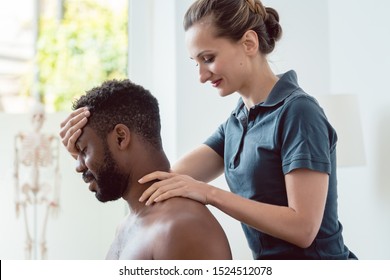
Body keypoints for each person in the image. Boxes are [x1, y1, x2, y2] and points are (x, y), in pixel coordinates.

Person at [60, 0, 356, 259]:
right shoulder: (237, 121)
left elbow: (303, 228)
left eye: (208, 58)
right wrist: (90, 150)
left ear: (249, 43)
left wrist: (210, 193)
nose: (201, 75)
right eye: (196, 62)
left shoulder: (298, 112)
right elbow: (160, 180)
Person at [62, 79, 232, 260]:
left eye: (83, 150)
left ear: (121, 138)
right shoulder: (127, 225)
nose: (78, 166)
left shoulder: (181, 227)